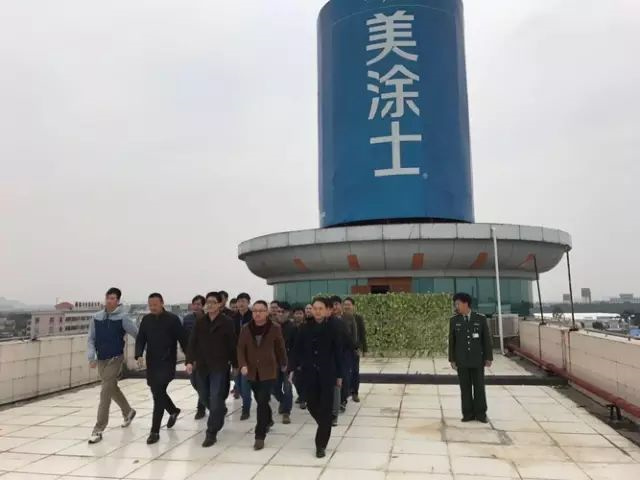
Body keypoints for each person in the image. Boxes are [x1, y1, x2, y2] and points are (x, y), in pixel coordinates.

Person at [290, 297, 342, 458]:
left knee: (326, 408)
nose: (317, 311)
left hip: (327, 374)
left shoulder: (334, 328)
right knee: (311, 404)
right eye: (315, 308)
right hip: (309, 374)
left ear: (327, 310)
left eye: (321, 308)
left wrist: (340, 375)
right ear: (311, 310)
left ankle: (321, 445)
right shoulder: (304, 328)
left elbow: (338, 352)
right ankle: (325, 424)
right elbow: (296, 350)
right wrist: (292, 369)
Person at [186, 291, 238, 447]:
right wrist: (189, 361)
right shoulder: (200, 322)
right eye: (207, 302)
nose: (209, 305)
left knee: (215, 397)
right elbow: (192, 342)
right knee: (203, 396)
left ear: (220, 304)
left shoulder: (227, 322)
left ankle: (211, 432)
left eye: (213, 302)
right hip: (202, 366)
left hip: (219, 366)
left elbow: (232, 345)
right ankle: (219, 411)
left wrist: (235, 364)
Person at [135, 293, 188, 444]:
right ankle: (173, 410)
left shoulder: (172, 319)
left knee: (158, 396)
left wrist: (189, 358)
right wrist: (138, 354)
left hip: (167, 361)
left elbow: (183, 339)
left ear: (162, 303)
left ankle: (154, 431)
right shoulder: (146, 320)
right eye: (150, 305)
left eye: (155, 305)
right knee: (157, 392)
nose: (152, 307)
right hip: (152, 362)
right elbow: (141, 338)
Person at [87, 287, 138, 444]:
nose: (109, 301)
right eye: (108, 298)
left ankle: (98, 429)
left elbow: (137, 334)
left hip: (115, 358)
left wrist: (142, 352)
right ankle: (128, 411)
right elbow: (91, 339)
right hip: (101, 359)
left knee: (105, 392)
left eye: (113, 298)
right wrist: (91, 356)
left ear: (118, 301)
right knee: (111, 387)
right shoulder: (96, 318)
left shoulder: (123, 318)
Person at [237, 300, 288, 450]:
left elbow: (280, 347)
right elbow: (240, 348)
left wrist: (284, 363)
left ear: (267, 312)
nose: (257, 313)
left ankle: (259, 435)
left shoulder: (274, 328)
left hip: (269, 371)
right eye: (255, 311)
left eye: (261, 311)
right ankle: (269, 419)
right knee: (261, 400)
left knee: (262, 400)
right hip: (251, 371)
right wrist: (242, 364)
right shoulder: (246, 328)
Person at [448, 292, 493, 423]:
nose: (456, 306)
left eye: (458, 304)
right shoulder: (454, 320)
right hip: (461, 360)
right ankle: (467, 413)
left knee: (479, 387)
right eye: (455, 304)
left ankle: (481, 413)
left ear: (465, 303)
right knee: (465, 388)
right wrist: (452, 359)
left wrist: (488, 357)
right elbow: (452, 341)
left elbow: (486, 340)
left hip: (477, 360)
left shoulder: (480, 319)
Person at [329, 295, 354, 419]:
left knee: (344, 377)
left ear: (340, 306)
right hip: (330, 355)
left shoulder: (346, 320)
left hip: (344, 354)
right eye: (332, 305)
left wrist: (353, 348)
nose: (334, 307)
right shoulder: (326, 321)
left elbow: (351, 338)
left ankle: (343, 401)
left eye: (336, 304)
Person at [182, 295, 207, 419]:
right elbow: (183, 338)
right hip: (191, 357)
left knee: (201, 382)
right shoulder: (187, 319)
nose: (196, 306)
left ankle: (201, 408)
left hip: (205, 357)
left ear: (203, 306)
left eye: (199, 304)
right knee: (194, 382)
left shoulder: (208, 319)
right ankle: (207, 399)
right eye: (194, 304)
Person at [273, 301, 296, 424]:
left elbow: (296, 348)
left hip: (288, 363)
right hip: (274, 363)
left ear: (288, 313)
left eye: (283, 312)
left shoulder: (293, 328)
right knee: (274, 388)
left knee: (287, 388)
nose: (280, 314)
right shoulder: (271, 327)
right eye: (279, 311)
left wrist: (292, 365)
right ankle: (282, 401)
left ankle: (286, 412)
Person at [343, 297, 367, 403]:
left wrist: (363, 349)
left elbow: (362, 334)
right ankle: (346, 392)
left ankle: (355, 392)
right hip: (344, 350)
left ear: (353, 306)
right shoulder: (341, 318)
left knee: (355, 371)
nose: (347, 306)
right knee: (345, 372)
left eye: (349, 304)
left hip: (355, 349)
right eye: (345, 304)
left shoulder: (358, 318)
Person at [233, 292, 253, 419]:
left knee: (245, 384)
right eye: (239, 301)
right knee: (237, 382)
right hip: (235, 355)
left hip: (249, 356)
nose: (241, 303)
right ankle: (246, 401)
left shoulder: (253, 317)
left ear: (248, 302)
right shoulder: (232, 318)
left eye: (243, 301)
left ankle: (246, 409)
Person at [292, 306, 307, 409]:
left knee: (303, 379)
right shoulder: (291, 327)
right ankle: (301, 395)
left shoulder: (307, 327)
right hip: (293, 356)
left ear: (303, 315)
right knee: (295, 379)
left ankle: (303, 398)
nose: (298, 315)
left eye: (300, 313)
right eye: (296, 313)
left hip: (305, 357)